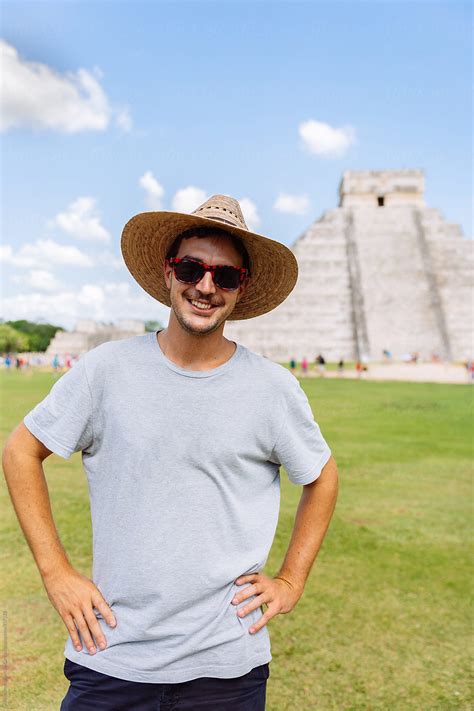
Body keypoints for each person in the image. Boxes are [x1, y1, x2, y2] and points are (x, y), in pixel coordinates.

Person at [2, 195, 339, 710]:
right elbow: (20, 451)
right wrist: (56, 573)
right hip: (112, 652)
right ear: (168, 273)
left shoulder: (272, 388)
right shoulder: (105, 370)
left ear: (240, 287)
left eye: (224, 276)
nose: (205, 286)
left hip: (225, 665)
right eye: (191, 268)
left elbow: (322, 475)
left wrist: (291, 580)